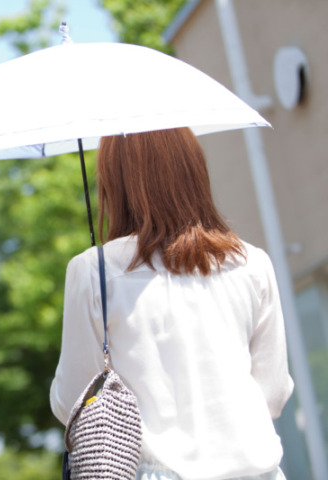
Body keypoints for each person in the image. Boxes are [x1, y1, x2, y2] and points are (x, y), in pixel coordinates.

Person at [50, 128, 294, 480]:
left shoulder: (94, 270)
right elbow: (272, 394)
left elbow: (72, 400)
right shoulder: (252, 262)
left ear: (115, 182)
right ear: (193, 170)